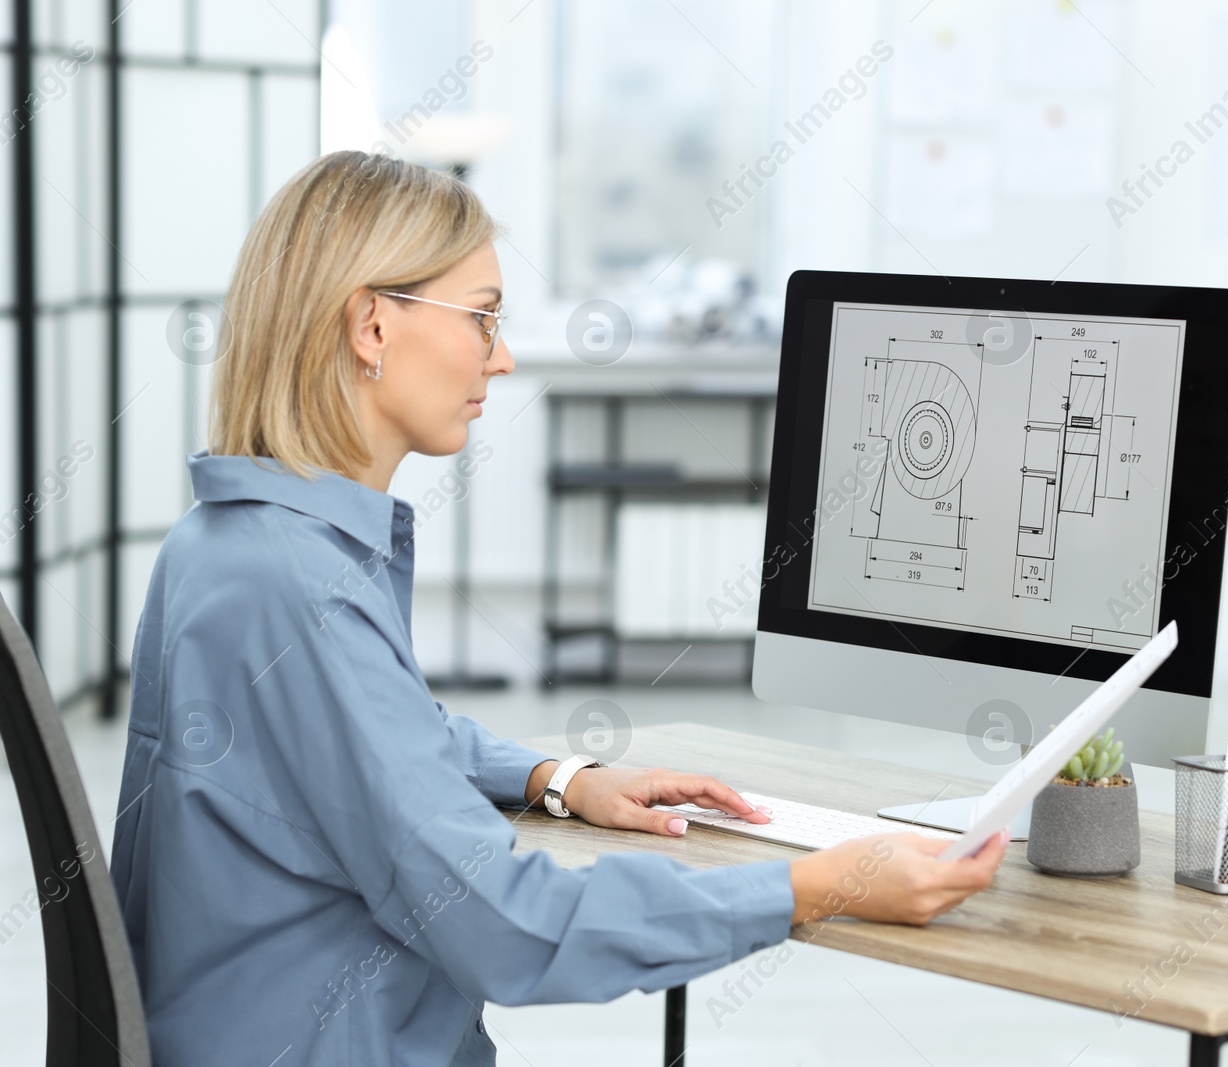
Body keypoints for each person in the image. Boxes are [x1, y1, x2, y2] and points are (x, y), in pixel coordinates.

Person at [109, 150, 1007, 1067]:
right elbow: (503, 922)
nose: (499, 358)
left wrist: (560, 777)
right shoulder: (298, 586)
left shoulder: (227, 541)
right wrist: (813, 887)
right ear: (372, 326)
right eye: (484, 317)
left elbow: (374, 739)